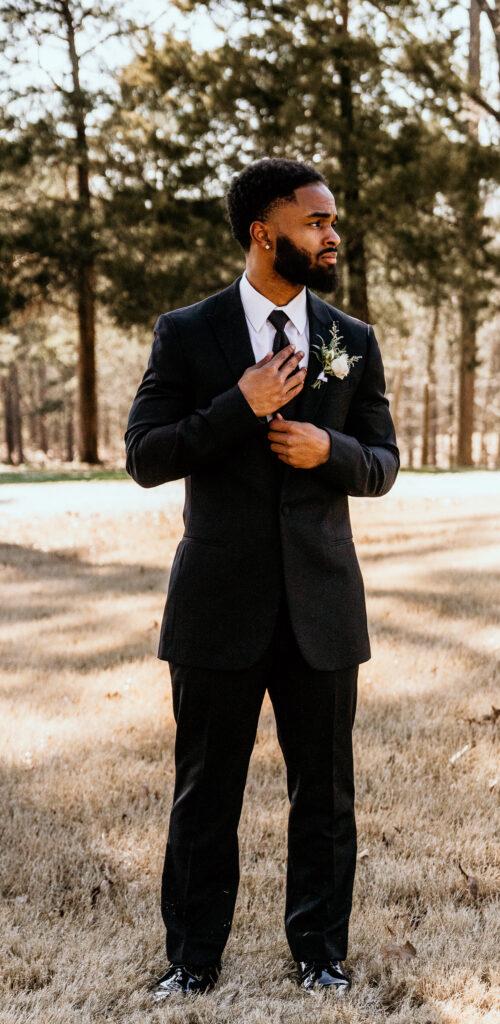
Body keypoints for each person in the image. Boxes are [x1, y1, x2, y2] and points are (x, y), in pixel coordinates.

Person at [125, 157, 399, 1000]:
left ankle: (320, 955)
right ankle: (192, 961)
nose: (330, 234)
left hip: (321, 605)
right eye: (314, 221)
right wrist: (235, 406)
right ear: (262, 232)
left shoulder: (351, 340)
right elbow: (144, 457)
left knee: (325, 795)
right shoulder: (188, 332)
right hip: (217, 606)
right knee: (206, 792)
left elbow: (385, 463)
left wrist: (333, 452)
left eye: (330, 221)